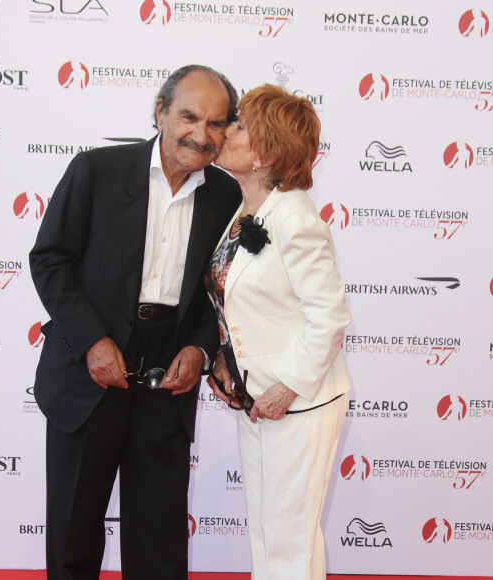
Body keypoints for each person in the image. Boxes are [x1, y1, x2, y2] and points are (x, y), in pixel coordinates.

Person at [30, 64, 241, 580]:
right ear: (160, 113)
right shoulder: (97, 170)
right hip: (89, 370)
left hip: (168, 376)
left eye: (216, 124)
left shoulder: (227, 196)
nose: (201, 134)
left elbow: (224, 294)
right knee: (74, 534)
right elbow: (51, 259)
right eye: (189, 116)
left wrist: (199, 348)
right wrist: (93, 342)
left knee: (160, 537)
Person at [206, 84, 351, 580]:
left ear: (267, 151)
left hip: (298, 402)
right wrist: (226, 359)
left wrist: (285, 387)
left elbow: (329, 319)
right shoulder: (245, 208)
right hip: (258, 397)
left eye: (239, 125)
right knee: (268, 534)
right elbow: (242, 303)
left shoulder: (295, 217)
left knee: (288, 539)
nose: (225, 131)